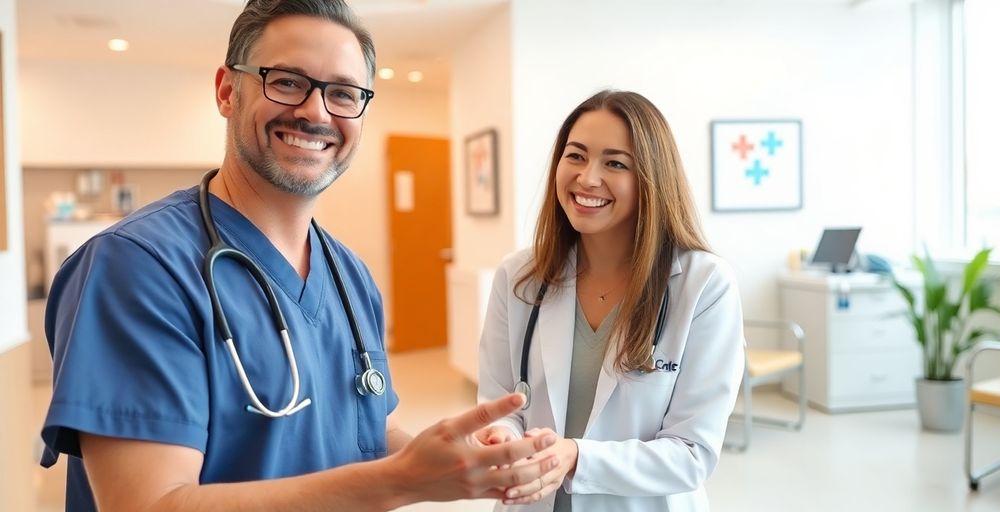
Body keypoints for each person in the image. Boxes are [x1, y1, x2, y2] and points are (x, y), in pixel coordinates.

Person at [39, 1, 558, 510]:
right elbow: (148, 503)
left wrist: (453, 461)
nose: (316, 112)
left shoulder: (349, 274)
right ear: (226, 90)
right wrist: (401, 483)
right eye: (287, 81)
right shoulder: (138, 266)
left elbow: (369, 427)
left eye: (343, 92)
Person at [475, 90, 746, 511]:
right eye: (576, 156)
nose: (587, 178)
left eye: (615, 163)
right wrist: (502, 438)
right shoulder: (519, 277)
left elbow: (692, 452)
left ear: (652, 179)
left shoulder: (703, 285)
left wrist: (576, 458)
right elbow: (500, 405)